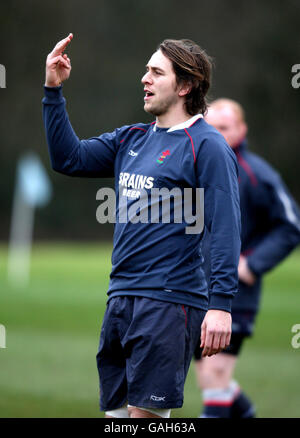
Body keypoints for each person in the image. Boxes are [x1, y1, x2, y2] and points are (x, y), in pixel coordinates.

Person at [42, 34, 241, 418]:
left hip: (169, 303)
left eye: (155, 72)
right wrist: (53, 89)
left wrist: (221, 306)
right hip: (120, 296)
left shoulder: (207, 146)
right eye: (146, 70)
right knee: (117, 418)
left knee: (146, 420)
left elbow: (226, 227)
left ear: (184, 86)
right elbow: (68, 158)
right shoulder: (132, 138)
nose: (144, 79)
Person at [194, 98, 300, 418]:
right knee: (213, 379)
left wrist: (252, 264)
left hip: (233, 294)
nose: (216, 135)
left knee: (214, 379)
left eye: (224, 128)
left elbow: (291, 226)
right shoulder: (195, 165)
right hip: (194, 288)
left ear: (242, 130)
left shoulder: (257, 175)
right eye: (210, 128)